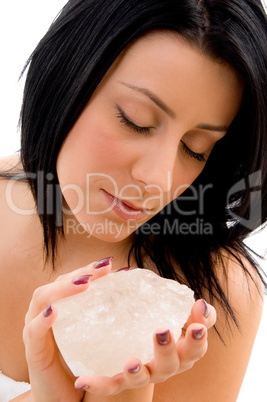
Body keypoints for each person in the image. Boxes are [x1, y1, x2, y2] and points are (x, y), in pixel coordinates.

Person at [0, 0, 266, 400]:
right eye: (134, 119)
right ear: (67, 73)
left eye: (195, 148)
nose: (157, 179)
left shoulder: (213, 303)